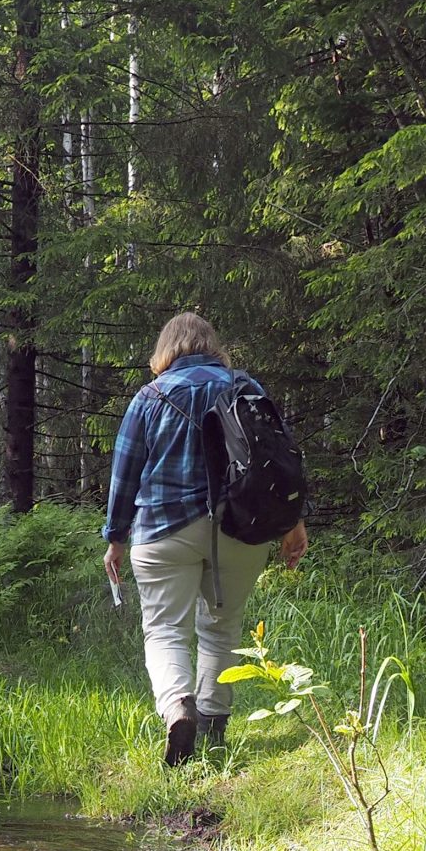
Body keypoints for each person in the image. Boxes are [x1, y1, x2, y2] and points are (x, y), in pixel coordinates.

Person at [102, 311, 308, 766]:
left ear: (165, 351)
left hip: (163, 529)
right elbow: (280, 457)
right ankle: (214, 737)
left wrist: (115, 538)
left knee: (164, 631)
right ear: (212, 345)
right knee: (221, 631)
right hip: (240, 526)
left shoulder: (150, 396)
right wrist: (291, 521)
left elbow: (125, 471)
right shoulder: (246, 387)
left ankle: (179, 709)